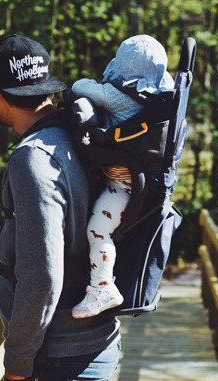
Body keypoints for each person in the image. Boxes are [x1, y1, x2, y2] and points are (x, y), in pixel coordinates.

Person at [0, 34, 120, 381]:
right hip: (93, 344)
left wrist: (17, 362)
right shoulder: (80, 134)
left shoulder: (33, 158)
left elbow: (42, 276)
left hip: (57, 362)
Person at [70, 35, 174, 319]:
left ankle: (102, 287)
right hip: (146, 181)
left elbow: (80, 86)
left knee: (97, 230)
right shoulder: (164, 100)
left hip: (121, 184)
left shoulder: (116, 95)